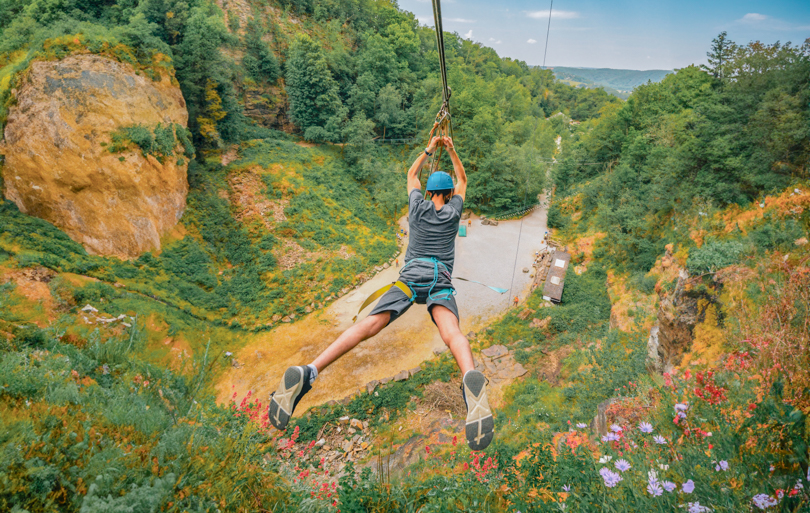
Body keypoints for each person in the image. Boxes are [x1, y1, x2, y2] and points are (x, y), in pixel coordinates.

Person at [267, 136, 494, 451]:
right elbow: (463, 179)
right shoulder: (454, 211)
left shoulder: (416, 207)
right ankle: (470, 377)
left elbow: (411, 175)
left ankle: (310, 370)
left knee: (368, 325)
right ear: (450, 193)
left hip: (410, 277)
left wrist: (430, 148)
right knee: (451, 332)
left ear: (429, 192)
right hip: (439, 279)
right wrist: (452, 148)